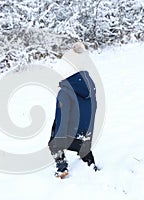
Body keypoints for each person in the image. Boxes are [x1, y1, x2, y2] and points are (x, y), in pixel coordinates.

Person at [48, 42, 98, 178]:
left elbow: (61, 120)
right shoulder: (90, 87)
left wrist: (57, 141)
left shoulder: (64, 93)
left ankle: (61, 168)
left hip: (70, 135)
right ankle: (90, 163)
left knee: (53, 140)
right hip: (85, 136)